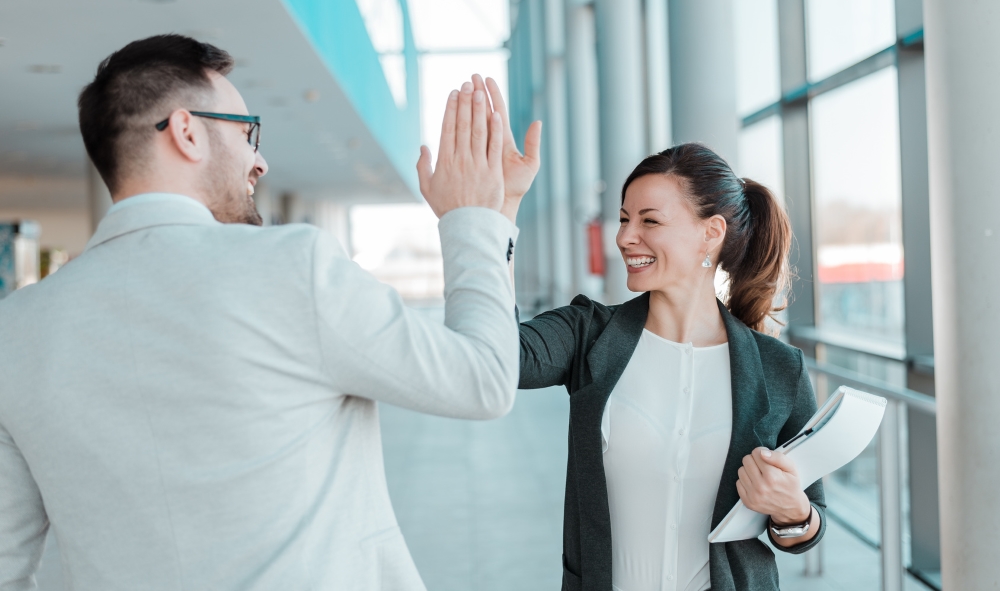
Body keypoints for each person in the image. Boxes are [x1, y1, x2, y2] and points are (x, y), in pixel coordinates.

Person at [0, 34, 540, 590]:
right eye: (246, 132)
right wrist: (476, 218)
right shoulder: (292, 268)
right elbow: (483, 380)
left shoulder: (16, 331)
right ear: (187, 132)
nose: (260, 160)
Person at [513, 144, 826, 591]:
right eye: (624, 219)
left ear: (710, 233)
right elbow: (499, 358)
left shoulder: (779, 369)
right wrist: (497, 222)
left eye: (649, 220)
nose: (624, 236)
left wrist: (794, 512)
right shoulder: (588, 334)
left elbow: (808, 523)